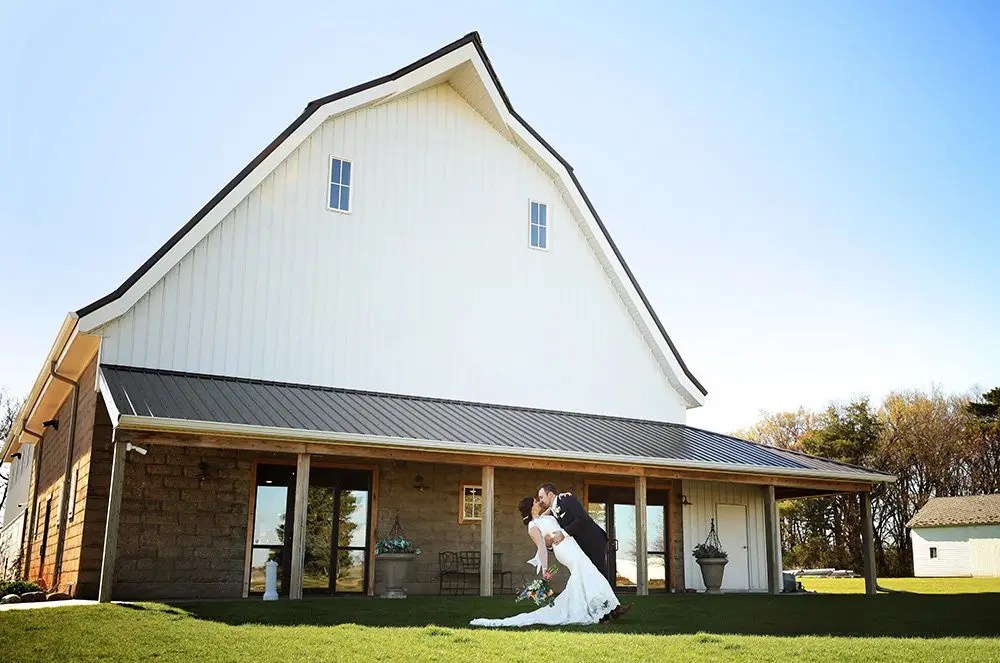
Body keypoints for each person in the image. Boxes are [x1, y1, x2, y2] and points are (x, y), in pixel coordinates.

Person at [470, 496, 621, 627]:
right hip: (564, 550)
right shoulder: (532, 526)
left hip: (572, 546)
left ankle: (606, 608)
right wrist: (545, 570)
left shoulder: (544, 516)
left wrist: (564, 495)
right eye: (536, 501)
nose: (538, 502)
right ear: (531, 507)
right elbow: (542, 548)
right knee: (588, 572)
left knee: (588, 574)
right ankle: (609, 608)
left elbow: (554, 506)